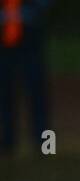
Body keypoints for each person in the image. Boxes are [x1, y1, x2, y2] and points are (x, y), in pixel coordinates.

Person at [0, 0, 51, 156]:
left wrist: (25, 13)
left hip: (30, 34)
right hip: (4, 37)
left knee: (37, 89)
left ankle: (46, 144)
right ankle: (7, 142)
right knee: (4, 90)